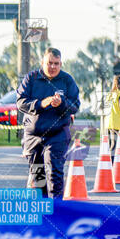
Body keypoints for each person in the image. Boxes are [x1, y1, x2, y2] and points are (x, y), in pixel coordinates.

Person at [17, 47, 80, 199]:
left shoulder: (67, 80)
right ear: (42, 62)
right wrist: (41, 104)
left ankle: (57, 214)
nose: (52, 67)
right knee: (38, 177)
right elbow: (20, 102)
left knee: (54, 173)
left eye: (56, 64)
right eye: (49, 63)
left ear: (61, 64)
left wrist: (62, 103)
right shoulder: (31, 78)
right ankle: (42, 214)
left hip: (57, 135)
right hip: (34, 135)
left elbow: (75, 106)